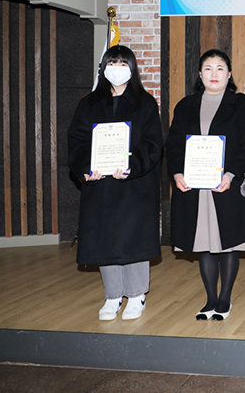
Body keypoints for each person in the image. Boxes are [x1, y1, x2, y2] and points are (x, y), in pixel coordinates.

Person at [67, 45, 163, 321]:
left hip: (134, 184)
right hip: (101, 186)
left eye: (123, 64)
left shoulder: (145, 103)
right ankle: (112, 295)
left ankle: (136, 294)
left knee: (134, 239)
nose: (117, 69)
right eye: (112, 63)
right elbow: (77, 142)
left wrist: (131, 165)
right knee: (105, 239)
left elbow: (153, 145)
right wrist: (86, 168)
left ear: (132, 69)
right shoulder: (88, 104)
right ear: (103, 68)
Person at [166, 49, 245, 321]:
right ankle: (210, 299)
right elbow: (173, 144)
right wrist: (177, 174)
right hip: (195, 187)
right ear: (200, 74)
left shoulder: (239, 103)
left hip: (226, 185)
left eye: (220, 68)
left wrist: (230, 174)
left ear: (229, 74)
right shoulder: (185, 105)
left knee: (228, 242)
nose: (214, 74)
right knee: (204, 243)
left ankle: (225, 299)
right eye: (208, 68)